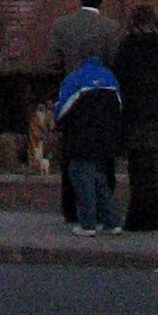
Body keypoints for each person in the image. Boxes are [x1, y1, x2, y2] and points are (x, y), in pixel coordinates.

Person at [48, 0, 119, 222]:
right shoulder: (111, 28)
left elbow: (52, 64)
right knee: (102, 158)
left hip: (72, 98)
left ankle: (72, 210)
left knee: (73, 156)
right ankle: (102, 210)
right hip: (101, 98)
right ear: (101, 0)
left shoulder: (62, 26)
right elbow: (115, 63)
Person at [112, 1, 158, 232]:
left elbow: (120, 78)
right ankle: (156, 218)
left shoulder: (128, 45)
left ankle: (137, 218)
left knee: (137, 169)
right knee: (155, 169)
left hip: (135, 114)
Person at [54, 54, 124, 235]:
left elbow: (62, 109)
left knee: (81, 177)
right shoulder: (110, 78)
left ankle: (87, 223)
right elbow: (119, 106)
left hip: (81, 137)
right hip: (105, 137)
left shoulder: (75, 79)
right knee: (99, 179)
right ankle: (112, 220)